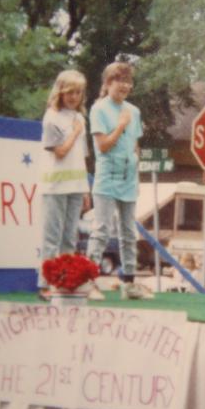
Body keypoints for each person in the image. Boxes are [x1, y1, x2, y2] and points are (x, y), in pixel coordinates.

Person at [87, 61, 151, 299]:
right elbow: (102, 146)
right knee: (101, 229)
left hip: (128, 178)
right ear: (108, 83)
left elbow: (135, 143)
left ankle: (129, 283)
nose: (125, 85)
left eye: (128, 81)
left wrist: (136, 169)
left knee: (128, 232)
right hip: (106, 176)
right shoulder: (99, 109)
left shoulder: (133, 111)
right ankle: (89, 280)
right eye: (119, 80)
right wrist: (120, 125)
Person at [37, 69, 94, 300]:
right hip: (55, 185)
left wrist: (85, 189)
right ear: (60, 92)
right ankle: (44, 284)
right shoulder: (52, 117)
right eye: (70, 92)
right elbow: (60, 151)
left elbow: (81, 156)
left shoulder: (80, 118)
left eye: (78, 92)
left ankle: (65, 281)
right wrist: (74, 133)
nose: (74, 97)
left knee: (70, 236)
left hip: (75, 184)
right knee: (51, 236)